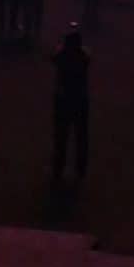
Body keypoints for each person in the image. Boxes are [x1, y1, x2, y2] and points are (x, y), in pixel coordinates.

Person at [51, 24, 91, 182]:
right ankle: (80, 169)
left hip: (63, 99)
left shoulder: (61, 58)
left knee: (61, 136)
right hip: (80, 99)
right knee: (81, 136)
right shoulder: (84, 58)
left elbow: (54, 57)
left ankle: (58, 168)